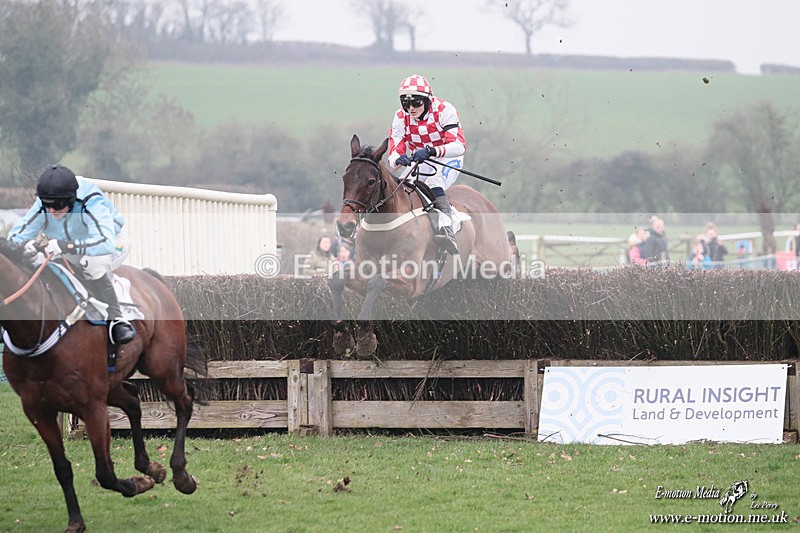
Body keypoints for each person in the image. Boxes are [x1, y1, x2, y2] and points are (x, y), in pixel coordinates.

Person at [8, 164, 136, 344]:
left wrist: (65, 245)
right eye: (47, 206)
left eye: (58, 206)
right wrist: (24, 248)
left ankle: (117, 319)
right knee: (34, 260)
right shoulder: (47, 202)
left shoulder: (92, 201)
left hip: (111, 242)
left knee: (92, 265)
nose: (51, 211)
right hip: (70, 245)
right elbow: (16, 236)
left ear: (71, 198)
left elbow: (103, 242)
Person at [387, 74, 466, 255]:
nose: (411, 108)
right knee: (399, 188)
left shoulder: (445, 110)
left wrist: (432, 151)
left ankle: (448, 229)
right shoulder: (400, 117)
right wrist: (399, 158)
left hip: (447, 158)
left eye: (416, 103)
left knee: (433, 182)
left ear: (428, 100)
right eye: (406, 103)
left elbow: (458, 146)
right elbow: (394, 148)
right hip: (420, 159)